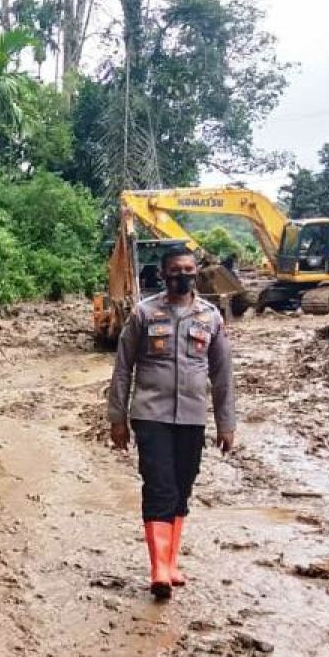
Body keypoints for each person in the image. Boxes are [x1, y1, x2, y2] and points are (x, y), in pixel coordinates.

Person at [107, 246, 236, 601]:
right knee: (160, 486)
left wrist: (227, 423)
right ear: (163, 274)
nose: (183, 274)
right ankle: (158, 568)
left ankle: (171, 561)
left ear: (196, 272)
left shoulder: (210, 317)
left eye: (189, 269)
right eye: (176, 270)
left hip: (192, 417)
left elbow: (223, 374)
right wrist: (117, 419)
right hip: (151, 415)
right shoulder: (144, 313)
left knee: (182, 487)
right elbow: (123, 368)